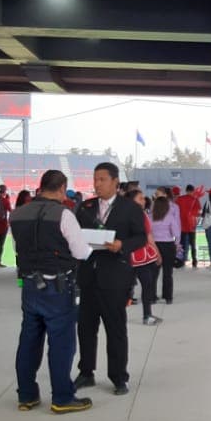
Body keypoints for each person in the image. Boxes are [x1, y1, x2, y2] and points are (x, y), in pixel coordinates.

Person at [10, 169, 96, 414]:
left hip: (29, 284)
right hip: (58, 287)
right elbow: (80, 252)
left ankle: (26, 395)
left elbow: (17, 248)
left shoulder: (17, 214)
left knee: (29, 340)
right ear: (61, 189)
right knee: (61, 343)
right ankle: (62, 397)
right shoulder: (63, 214)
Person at [73, 162, 149, 396]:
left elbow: (141, 237)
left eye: (102, 179)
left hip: (115, 276)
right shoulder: (85, 207)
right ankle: (86, 372)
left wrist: (122, 245)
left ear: (115, 182)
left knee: (115, 328)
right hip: (88, 275)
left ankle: (118, 377)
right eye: (95, 179)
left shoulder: (130, 208)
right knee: (86, 328)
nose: (97, 184)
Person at [126, 187, 162, 326]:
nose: (144, 201)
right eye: (140, 198)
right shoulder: (140, 215)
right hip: (140, 257)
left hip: (131, 256)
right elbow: (149, 236)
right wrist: (157, 253)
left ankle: (145, 315)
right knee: (146, 286)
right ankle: (146, 315)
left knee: (136, 286)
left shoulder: (125, 214)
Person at [150, 191, 181, 304]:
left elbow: (147, 232)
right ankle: (168, 297)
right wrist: (177, 244)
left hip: (154, 245)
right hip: (168, 245)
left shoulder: (150, 217)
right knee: (168, 273)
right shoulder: (170, 217)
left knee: (153, 273)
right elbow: (176, 233)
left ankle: (152, 296)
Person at [175, 183, 206, 267]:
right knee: (193, 244)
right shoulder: (195, 199)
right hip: (191, 225)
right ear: (192, 191)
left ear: (186, 190)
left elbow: (175, 210)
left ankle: (181, 260)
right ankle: (194, 261)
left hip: (181, 225)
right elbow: (198, 212)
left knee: (181, 244)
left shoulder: (179, 199)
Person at [0, 184, 12, 268]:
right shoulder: (5, 201)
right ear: (4, 192)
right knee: (0, 245)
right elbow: (10, 210)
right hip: (3, 225)